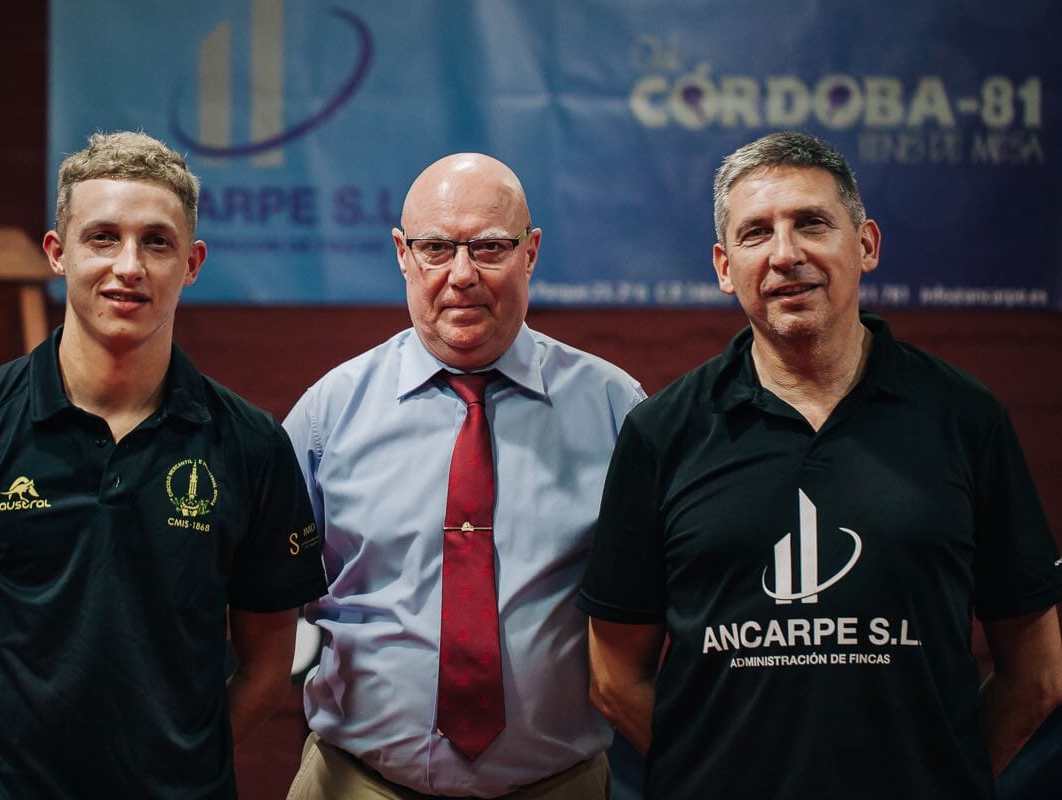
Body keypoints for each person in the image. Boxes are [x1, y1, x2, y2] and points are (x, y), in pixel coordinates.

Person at [579, 130, 1062, 799]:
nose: (785, 255)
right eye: (756, 233)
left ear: (865, 245)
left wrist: (944, 779)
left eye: (811, 223)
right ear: (724, 267)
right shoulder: (662, 433)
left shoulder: (965, 418)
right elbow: (614, 676)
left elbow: (1036, 673)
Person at [0, 131, 327, 798]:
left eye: (157, 242)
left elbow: (266, 668)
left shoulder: (252, 445)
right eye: (103, 238)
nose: (129, 266)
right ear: (59, 252)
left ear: (192, 262)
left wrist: (179, 770)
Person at [283, 152, 645, 798]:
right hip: (355, 781)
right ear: (402, 254)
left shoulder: (616, 410)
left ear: (531, 252)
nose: (461, 275)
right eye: (435, 248)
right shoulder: (327, 415)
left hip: (555, 785)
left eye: (489, 247)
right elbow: (256, 597)